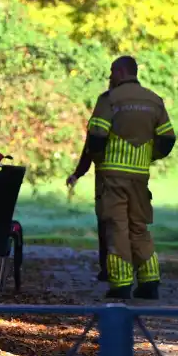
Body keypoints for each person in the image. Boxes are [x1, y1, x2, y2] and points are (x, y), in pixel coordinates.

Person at [82, 56, 177, 299]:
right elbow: (168, 138)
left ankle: (121, 284)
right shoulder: (154, 100)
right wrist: (148, 156)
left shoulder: (109, 99)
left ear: (120, 72)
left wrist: (99, 159)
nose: (110, 78)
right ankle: (150, 281)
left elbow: (97, 135)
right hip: (139, 176)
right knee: (139, 227)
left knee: (117, 228)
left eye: (111, 73)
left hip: (113, 176)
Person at [67, 121, 110, 283]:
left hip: (106, 183)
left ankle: (108, 269)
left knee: (106, 225)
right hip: (134, 182)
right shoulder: (137, 115)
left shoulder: (101, 117)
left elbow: (89, 150)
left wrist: (77, 173)